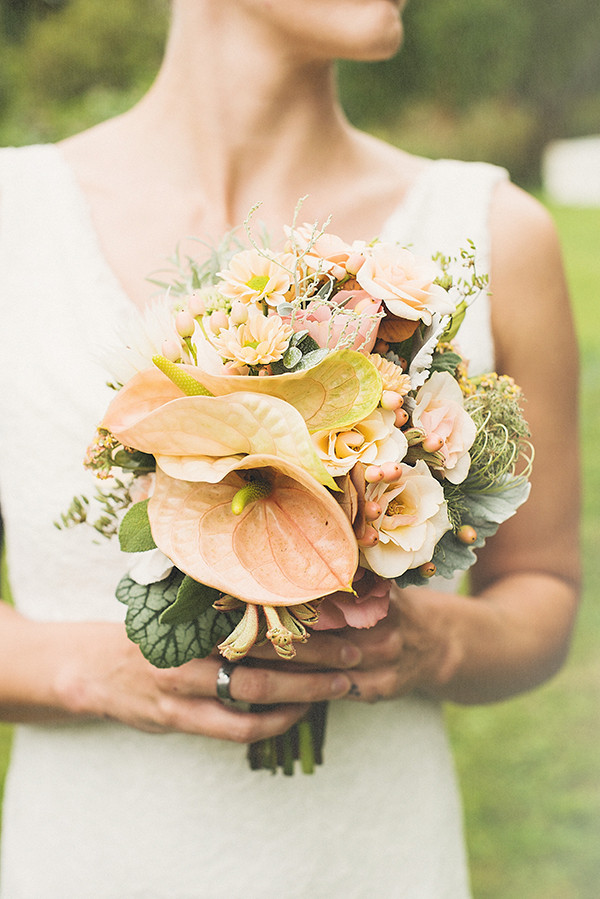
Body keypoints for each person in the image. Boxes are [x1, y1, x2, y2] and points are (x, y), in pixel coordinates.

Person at [0, 1, 580, 896]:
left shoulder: (500, 233)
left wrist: (438, 645)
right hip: (88, 857)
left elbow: (545, 590)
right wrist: (95, 673)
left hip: (373, 859)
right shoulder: (14, 225)